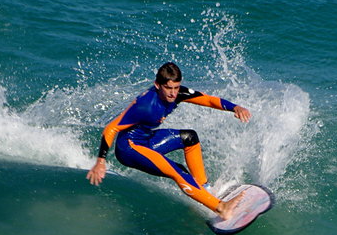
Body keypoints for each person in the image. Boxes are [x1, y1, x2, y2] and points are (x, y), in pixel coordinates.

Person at [86, 62, 251, 220]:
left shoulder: (178, 93)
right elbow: (111, 128)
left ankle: (205, 190)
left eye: (176, 87)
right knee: (177, 171)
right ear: (157, 85)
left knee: (189, 138)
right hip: (129, 148)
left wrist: (235, 107)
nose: (173, 93)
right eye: (168, 88)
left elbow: (207, 100)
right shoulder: (145, 106)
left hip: (147, 139)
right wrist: (101, 161)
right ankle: (221, 208)